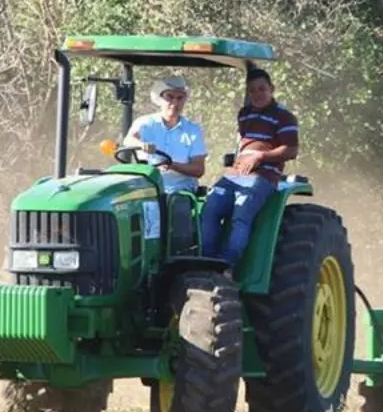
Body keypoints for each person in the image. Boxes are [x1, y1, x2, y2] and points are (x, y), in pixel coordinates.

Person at [200, 68, 299, 268]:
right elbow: (244, 145)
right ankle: (206, 260)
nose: (257, 94)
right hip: (235, 175)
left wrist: (260, 156)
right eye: (252, 90)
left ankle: (227, 265)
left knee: (241, 214)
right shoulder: (244, 114)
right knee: (208, 208)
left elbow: (291, 150)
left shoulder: (284, 117)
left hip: (262, 176)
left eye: (262, 89)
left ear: (272, 89)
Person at [123, 75, 207, 253]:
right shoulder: (145, 123)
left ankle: (178, 256)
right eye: (169, 97)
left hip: (179, 190)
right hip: (147, 188)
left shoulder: (192, 131)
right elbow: (129, 139)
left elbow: (198, 169)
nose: (174, 102)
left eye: (180, 97)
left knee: (177, 206)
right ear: (159, 99)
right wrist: (140, 144)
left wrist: (172, 165)